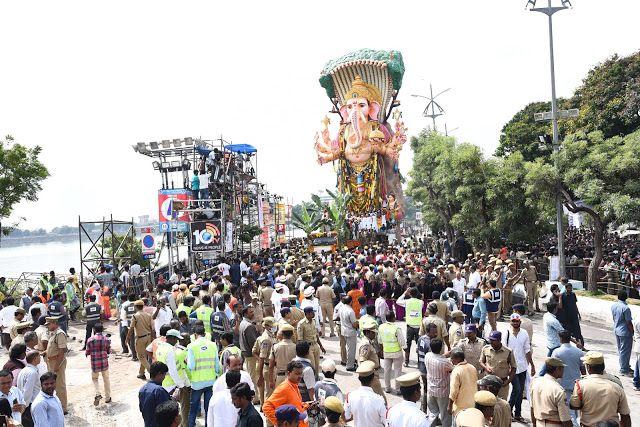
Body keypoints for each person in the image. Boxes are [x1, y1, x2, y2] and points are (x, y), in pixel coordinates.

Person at [570, 351, 631, 427]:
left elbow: (574, 406)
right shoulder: (616, 384)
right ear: (603, 366)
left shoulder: (581, 385)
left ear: (588, 367)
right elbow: (625, 415)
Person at [186, 324, 221, 427]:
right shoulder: (213, 345)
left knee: (193, 408)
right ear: (205, 334)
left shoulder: (191, 346)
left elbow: (191, 366)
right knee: (208, 408)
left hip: (197, 383)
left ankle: (191, 425)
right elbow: (217, 366)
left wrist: (187, 361)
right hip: (210, 381)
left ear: (195, 335)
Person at [503, 313, 534, 422]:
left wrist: (532, 365)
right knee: (517, 389)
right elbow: (504, 351)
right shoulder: (506, 334)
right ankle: (508, 411)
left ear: (520, 322)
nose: (515, 323)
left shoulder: (524, 333)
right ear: (510, 322)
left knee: (520, 392)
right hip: (512, 367)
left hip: (523, 366)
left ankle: (518, 414)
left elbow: (527, 350)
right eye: (513, 321)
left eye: (517, 321)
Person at [264, 361, 314, 427]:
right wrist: (280, 423)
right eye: (297, 374)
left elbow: (295, 404)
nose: (300, 376)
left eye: (301, 373)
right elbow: (266, 407)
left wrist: (307, 405)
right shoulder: (284, 388)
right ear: (289, 373)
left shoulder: (294, 385)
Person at [551, 330, 585, 426]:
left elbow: (552, 369)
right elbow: (583, 370)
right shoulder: (579, 352)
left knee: (569, 414)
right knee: (575, 412)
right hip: (576, 385)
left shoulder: (557, 352)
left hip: (562, 385)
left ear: (560, 339)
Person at [530, 357, 572, 427]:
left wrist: (534, 424)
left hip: (539, 423)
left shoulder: (535, 382)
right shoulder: (558, 390)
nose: (563, 371)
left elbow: (532, 408)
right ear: (557, 369)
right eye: (562, 368)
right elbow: (565, 420)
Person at [343, 361, 386, 427]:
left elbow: (346, 417)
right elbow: (385, 422)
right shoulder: (379, 400)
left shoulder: (350, 396)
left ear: (359, 379)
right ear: (372, 378)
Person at [479, 331, 515, 400]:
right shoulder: (486, 349)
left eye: (493, 340)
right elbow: (481, 361)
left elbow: (514, 367)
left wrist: (508, 381)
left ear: (499, 340)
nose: (491, 342)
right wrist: (486, 367)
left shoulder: (508, 352)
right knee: (487, 402)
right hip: (488, 383)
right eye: (490, 340)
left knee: (501, 404)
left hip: (502, 384)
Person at [424, 338, 453, 427]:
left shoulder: (427, 356)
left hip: (431, 390)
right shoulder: (445, 362)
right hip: (442, 393)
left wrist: (444, 355)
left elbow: (437, 357)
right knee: (445, 415)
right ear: (441, 348)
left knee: (433, 413)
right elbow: (454, 369)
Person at [126, 299, 156, 379]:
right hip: (149, 337)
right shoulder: (148, 315)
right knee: (144, 357)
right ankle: (141, 373)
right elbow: (152, 329)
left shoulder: (135, 316)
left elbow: (131, 329)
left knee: (141, 357)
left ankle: (152, 373)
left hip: (140, 338)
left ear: (135, 307)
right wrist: (153, 338)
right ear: (143, 306)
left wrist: (127, 338)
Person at [357, 322, 386, 403]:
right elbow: (363, 361)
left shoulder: (368, 342)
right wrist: (370, 373)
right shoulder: (366, 345)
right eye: (373, 333)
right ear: (367, 332)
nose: (375, 335)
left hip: (371, 374)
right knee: (381, 399)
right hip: (370, 375)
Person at [378, 311, 405, 394]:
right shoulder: (397, 328)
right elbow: (402, 342)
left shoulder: (381, 327)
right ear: (393, 317)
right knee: (397, 371)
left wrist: (381, 350)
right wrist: (405, 349)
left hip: (386, 352)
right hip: (397, 353)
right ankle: (398, 389)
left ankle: (387, 388)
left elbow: (380, 340)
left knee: (387, 371)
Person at [44, 316, 67, 413]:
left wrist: (57, 366)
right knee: (53, 384)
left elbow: (62, 351)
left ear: (54, 323)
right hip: (51, 361)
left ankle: (63, 408)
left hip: (57, 362)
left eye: (48, 324)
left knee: (60, 385)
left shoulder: (60, 334)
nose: (47, 326)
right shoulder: (53, 333)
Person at [85, 322, 112, 406]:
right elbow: (108, 351)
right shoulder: (106, 339)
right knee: (106, 379)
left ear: (94, 330)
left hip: (95, 363)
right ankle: (107, 397)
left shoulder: (90, 340)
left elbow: (87, 352)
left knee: (95, 379)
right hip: (104, 363)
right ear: (102, 330)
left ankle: (98, 393)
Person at [396, 287, 423, 367]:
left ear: (410, 294)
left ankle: (406, 362)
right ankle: (419, 363)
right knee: (419, 345)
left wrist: (405, 293)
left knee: (408, 344)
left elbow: (398, 301)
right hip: (418, 326)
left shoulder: (407, 302)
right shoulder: (421, 302)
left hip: (410, 326)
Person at [139, 362, 171, 427]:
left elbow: (142, 408)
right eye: (164, 374)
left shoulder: (142, 389)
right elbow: (168, 412)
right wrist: (174, 399)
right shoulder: (159, 391)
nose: (164, 377)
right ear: (159, 374)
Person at [448, 348, 478, 417]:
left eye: (452, 358)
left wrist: (449, 406)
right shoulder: (472, 367)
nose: (451, 360)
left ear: (458, 359)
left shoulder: (456, 371)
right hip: (473, 405)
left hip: (460, 408)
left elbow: (453, 391)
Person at [611, 290, 634, 376]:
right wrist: (633, 332)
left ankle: (625, 366)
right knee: (625, 351)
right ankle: (624, 369)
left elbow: (614, 318)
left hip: (617, 330)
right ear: (626, 297)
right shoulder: (626, 308)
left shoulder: (614, 306)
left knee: (621, 350)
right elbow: (628, 322)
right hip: (625, 332)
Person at [239, 306, 259, 398]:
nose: (253, 313)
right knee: (254, 377)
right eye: (251, 312)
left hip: (247, 354)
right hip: (251, 355)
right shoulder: (249, 326)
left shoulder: (243, 323)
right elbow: (253, 343)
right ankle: (256, 397)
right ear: (245, 314)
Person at [297, 306, 325, 374]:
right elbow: (300, 339)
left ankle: (317, 379)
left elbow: (316, 335)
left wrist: (321, 346)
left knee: (317, 365)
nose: (314, 314)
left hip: (315, 345)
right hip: (308, 347)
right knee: (312, 366)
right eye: (312, 312)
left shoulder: (313, 321)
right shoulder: (301, 324)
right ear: (307, 314)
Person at [17, 350, 41, 427]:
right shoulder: (32, 372)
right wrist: (24, 407)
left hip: (25, 403)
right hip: (29, 405)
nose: (40, 358)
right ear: (35, 359)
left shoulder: (24, 370)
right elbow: (27, 391)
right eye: (39, 357)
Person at [269, 324, 297, 389]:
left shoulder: (275, 347)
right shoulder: (295, 347)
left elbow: (271, 366)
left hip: (280, 377)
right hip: (292, 377)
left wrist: (271, 381)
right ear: (292, 334)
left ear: (282, 334)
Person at [338, 296, 358, 371]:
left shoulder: (341, 308)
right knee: (351, 349)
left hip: (343, 330)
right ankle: (350, 366)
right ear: (350, 302)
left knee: (348, 348)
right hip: (350, 331)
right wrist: (358, 323)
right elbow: (354, 324)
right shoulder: (350, 311)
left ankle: (349, 362)